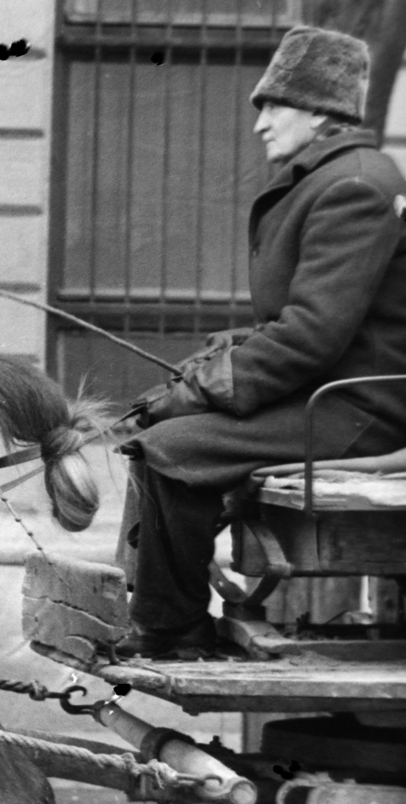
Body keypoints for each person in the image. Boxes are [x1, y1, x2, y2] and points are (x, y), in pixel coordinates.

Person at [118, 24, 406, 658]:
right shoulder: (328, 180)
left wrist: (203, 394)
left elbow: (310, 336)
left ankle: (174, 634)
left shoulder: (355, 185)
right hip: (326, 396)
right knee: (161, 434)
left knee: (172, 449)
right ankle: (151, 613)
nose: (260, 124)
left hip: (361, 411)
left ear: (319, 111)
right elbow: (295, 322)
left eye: (274, 105)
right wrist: (198, 375)